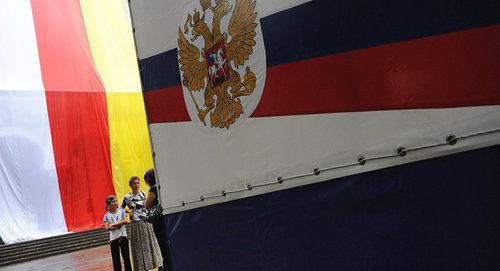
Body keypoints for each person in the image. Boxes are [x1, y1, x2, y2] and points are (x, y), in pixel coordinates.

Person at [120, 176, 163, 271]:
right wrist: (128, 211)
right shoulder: (127, 197)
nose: (136, 185)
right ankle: (142, 267)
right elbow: (120, 209)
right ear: (130, 185)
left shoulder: (143, 193)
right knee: (139, 247)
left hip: (146, 222)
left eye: (138, 183)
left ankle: (157, 264)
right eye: (134, 183)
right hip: (135, 224)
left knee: (150, 244)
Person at [144, 168, 169, 271]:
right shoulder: (162, 185)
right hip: (166, 217)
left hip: (157, 220)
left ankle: (166, 266)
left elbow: (147, 205)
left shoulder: (153, 189)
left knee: (162, 243)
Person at [104, 195, 132, 271]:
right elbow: (107, 227)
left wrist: (112, 225)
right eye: (113, 201)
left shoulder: (122, 211)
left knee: (126, 257)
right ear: (108, 204)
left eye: (116, 201)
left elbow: (125, 221)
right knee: (116, 259)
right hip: (113, 239)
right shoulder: (107, 216)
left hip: (123, 236)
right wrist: (118, 226)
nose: (116, 203)